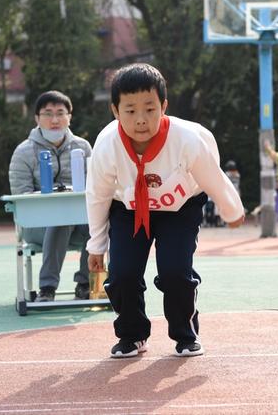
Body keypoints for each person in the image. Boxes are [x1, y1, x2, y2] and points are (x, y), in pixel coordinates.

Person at [85, 63, 245, 359]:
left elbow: (212, 175)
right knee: (122, 275)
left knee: (174, 272)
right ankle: (132, 336)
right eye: (130, 111)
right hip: (129, 210)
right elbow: (98, 194)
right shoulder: (107, 145)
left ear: (164, 107)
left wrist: (231, 209)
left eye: (150, 109)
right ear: (115, 111)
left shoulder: (186, 139)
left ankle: (185, 334)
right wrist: (96, 244)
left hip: (180, 209)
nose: (141, 120)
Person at [9, 90, 93, 302]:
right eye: (47, 113)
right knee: (60, 220)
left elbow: (94, 188)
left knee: (101, 224)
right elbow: (21, 194)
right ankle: (47, 287)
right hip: (37, 227)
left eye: (60, 112)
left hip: (79, 225)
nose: (54, 119)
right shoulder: (24, 152)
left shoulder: (82, 147)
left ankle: (86, 283)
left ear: (69, 117)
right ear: (37, 118)